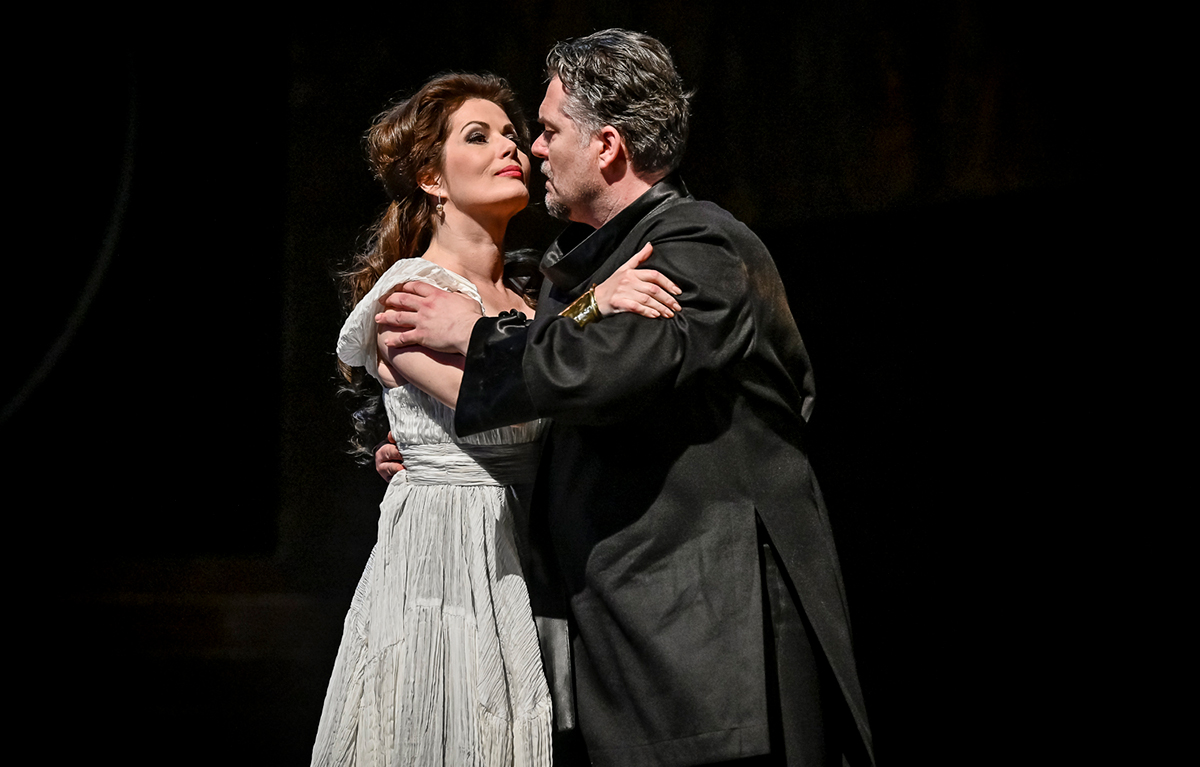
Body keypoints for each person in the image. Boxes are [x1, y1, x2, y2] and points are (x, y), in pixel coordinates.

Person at [375, 30, 876, 767]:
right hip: (634, 645)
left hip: (711, 649)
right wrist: (440, 454)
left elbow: (603, 373)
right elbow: (574, 399)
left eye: (547, 132)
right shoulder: (589, 271)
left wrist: (476, 335)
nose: (533, 149)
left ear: (606, 146)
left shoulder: (698, 244)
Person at [313, 72, 678, 767]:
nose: (510, 147)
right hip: (447, 555)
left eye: (513, 134)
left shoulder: (531, 298)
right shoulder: (411, 293)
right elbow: (512, 406)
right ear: (432, 178)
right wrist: (596, 309)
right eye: (477, 137)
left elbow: (544, 379)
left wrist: (580, 314)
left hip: (528, 552)